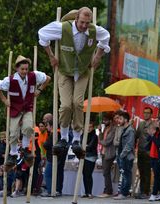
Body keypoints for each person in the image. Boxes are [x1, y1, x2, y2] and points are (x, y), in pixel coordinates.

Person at [38, 7, 110, 159]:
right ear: (76, 18)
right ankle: (64, 137)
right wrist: (51, 55)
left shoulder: (94, 30)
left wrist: (98, 56)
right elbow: (42, 34)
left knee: (77, 103)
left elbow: (106, 37)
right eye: (82, 22)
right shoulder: (62, 28)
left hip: (83, 71)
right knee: (65, 105)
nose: (84, 26)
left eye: (87, 23)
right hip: (64, 71)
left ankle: (76, 138)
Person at [0, 55, 51, 171]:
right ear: (17, 69)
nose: (25, 71)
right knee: (13, 132)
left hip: (27, 107)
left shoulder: (34, 75)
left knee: (29, 127)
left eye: (26, 69)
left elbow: (48, 78)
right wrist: (4, 100)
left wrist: (39, 90)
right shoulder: (10, 80)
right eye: (22, 69)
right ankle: (13, 153)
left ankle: (25, 149)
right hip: (14, 108)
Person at [42, 120, 68, 197]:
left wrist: (44, 143)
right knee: (58, 174)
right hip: (57, 157)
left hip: (53, 157)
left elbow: (47, 145)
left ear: (51, 126)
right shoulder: (59, 134)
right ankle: (57, 190)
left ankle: (50, 190)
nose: (46, 127)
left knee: (48, 173)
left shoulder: (54, 134)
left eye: (47, 126)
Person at [113, 111, 135, 200]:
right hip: (121, 156)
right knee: (124, 174)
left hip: (126, 156)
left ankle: (124, 193)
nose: (119, 120)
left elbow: (129, 145)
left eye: (121, 119)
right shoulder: (123, 129)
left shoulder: (130, 130)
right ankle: (122, 192)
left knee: (126, 175)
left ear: (126, 120)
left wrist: (122, 155)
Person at [135, 107, 153, 198]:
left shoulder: (153, 124)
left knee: (147, 173)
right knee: (141, 172)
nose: (146, 114)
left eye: (148, 113)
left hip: (148, 152)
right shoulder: (141, 124)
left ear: (151, 114)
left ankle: (146, 192)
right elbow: (136, 136)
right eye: (144, 112)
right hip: (140, 151)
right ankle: (142, 191)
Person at [98, 113, 116, 198]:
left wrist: (101, 141)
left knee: (106, 172)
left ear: (110, 121)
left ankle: (108, 191)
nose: (104, 122)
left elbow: (106, 142)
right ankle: (107, 190)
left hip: (109, 153)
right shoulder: (105, 128)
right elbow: (102, 139)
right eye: (103, 120)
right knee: (105, 173)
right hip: (103, 152)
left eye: (106, 120)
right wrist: (100, 131)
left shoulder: (113, 129)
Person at [146, 121, 160, 201]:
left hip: (158, 157)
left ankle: (154, 194)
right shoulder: (153, 134)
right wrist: (150, 134)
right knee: (158, 176)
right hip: (152, 157)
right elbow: (148, 140)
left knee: (157, 176)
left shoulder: (159, 134)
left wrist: (153, 134)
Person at [82, 121, 98, 198]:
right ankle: (86, 192)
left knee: (88, 174)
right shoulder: (83, 135)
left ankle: (90, 192)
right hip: (83, 156)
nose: (88, 128)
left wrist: (85, 146)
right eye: (87, 127)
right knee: (84, 175)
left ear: (93, 127)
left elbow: (90, 147)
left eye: (90, 127)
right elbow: (80, 145)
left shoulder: (94, 136)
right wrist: (85, 146)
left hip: (91, 157)